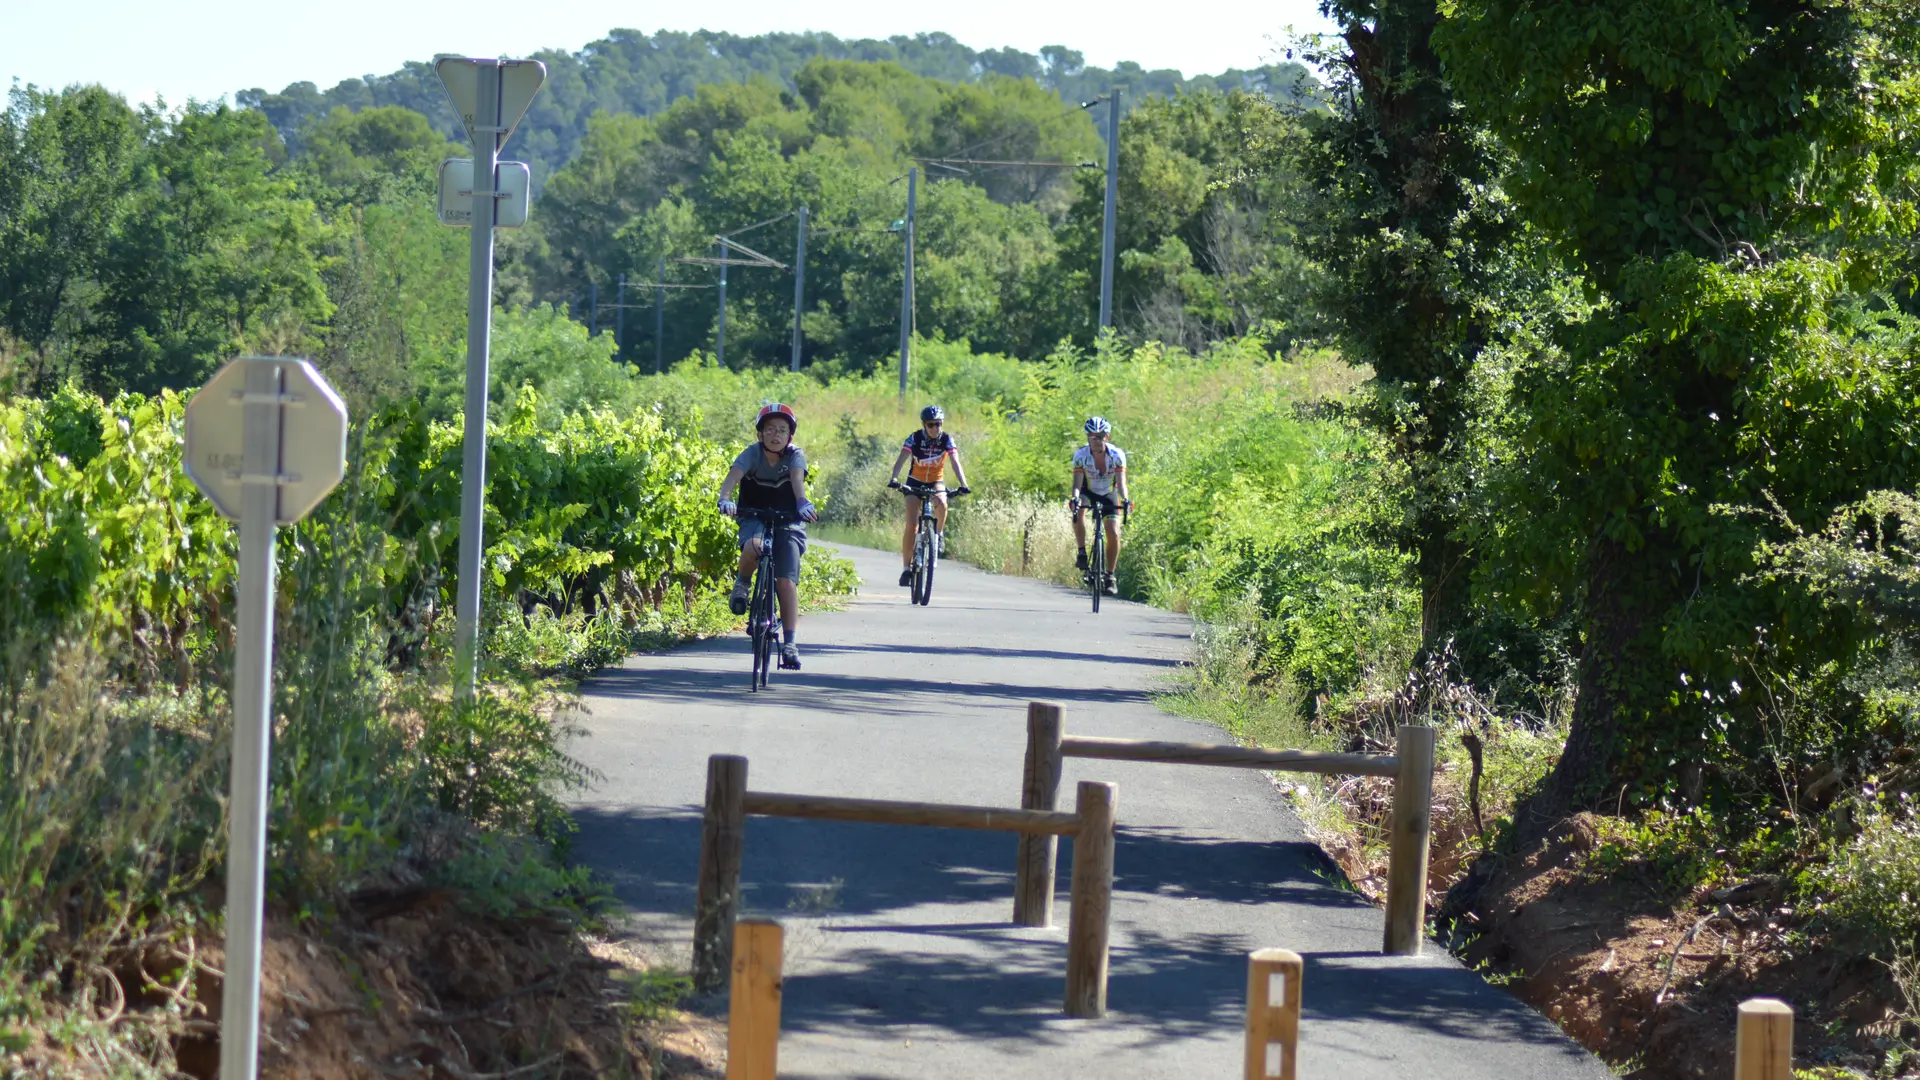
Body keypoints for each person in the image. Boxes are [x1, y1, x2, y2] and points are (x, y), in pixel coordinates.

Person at [717, 403, 817, 670]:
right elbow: (733, 477)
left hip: (789, 520)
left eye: (782, 430)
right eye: (770, 429)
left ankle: (790, 644)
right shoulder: (751, 454)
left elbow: (797, 482)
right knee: (754, 546)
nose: (776, 435)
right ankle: (742, 584)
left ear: (790, 436)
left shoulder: (795, 456)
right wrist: (724, 498)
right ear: (760, 433)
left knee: (785, 582)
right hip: (753, 515)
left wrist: (803, 504)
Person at [887, 404, 970, 587]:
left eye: (938, 424)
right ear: (924, 425)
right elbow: (901, 459)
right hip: (914, 482)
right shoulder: (915, 438)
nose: (935, 428)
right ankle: (906, 569)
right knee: (911, 525)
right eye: (931, 424)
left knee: (942, 501)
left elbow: (955, 462)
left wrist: (964, 484)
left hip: (935, 481)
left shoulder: (947, 439)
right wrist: (894, 478)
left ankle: (938, 535)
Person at [1069, 415, 1130, 596]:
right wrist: (1075, 498)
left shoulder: (1117, 455)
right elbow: (1077, 485)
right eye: (1092, 436)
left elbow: (1121, 483)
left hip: (1108, 492)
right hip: (1088, 490)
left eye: (1100, 436)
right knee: (1078, 508)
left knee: (1114, 532)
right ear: (1087, 437)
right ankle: (1081, 552)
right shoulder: (1081, 456)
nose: (1096, 440)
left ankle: (1110, 576)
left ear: (1107, 436)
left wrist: (1126, 499)